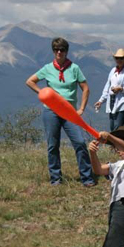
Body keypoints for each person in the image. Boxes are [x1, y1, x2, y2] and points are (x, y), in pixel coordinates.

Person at [26, 37, 95, 187]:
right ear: (53, 51)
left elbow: (85, 88)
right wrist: (42, 93)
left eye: (62, 50)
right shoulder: (47, 68)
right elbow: (30, 81)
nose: (59, 52)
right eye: (56, 50)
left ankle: (87, 178)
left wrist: (81, 108)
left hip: (70, 112)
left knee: (80, 142)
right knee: (53, 145)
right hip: (50, 111)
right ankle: (56, 179)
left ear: (66, 51)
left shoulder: (74, 68)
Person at [94, 49, 124, 131]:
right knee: (112, 128)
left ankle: (117, 143)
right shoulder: (113, 71)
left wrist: (121, 89)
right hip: (111, 103)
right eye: (117, 58)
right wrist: (101, 101)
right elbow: (107, 87)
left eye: (121, 58)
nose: (119, 60)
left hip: (122, 103)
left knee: (118, 128)